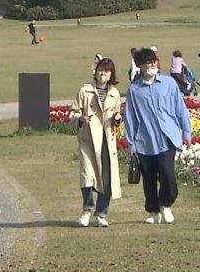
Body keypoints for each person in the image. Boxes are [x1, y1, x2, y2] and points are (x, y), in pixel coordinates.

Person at [123, 48, 192, 224]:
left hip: (167, 139)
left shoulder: (169, 83)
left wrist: (186, 131)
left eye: (154, 61)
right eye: (149, 63)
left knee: (168, 175)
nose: (153, 65)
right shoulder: (134, 89)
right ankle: (153, 212)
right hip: (145, 141)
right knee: (149, 179)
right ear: (140, 66)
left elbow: (180, 108)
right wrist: (131, 143)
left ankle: (166, 204)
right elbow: (130, 116)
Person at [71, 58, 124, 228]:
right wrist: (80, 118)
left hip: (106, 140)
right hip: (88, 139)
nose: (103, 74)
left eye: (107, 72)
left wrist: (117, 119)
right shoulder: (84, 91)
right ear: (95, 71)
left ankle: (102, 213)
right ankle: (87, 209)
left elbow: (117, 118)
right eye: (100, 70)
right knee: (87, 176)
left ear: (111, 75)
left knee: (106, 178)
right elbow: (72, 113)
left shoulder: (115, 94)